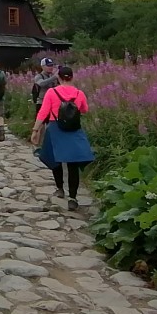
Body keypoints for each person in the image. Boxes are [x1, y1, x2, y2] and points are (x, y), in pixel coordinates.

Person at [30, 65, 95, 211]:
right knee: (73, 164)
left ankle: (60, 189)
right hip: (74, 130)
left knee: (55, 160)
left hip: (55, 129)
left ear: (58, 78)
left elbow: (43, 112)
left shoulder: (52, 92)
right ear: (72, 77)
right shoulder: (79, 93)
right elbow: (84, 110)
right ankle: (73, 198)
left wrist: (36, 130)